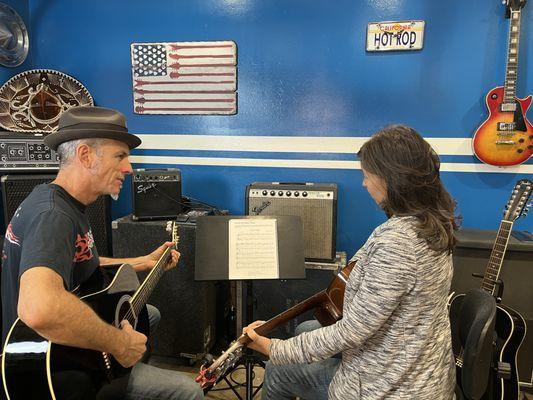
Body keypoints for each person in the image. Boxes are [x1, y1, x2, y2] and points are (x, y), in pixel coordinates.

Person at [1, 106, 204, 400]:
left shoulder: (53, 199)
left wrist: (143, 262)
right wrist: (120, 345)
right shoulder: (54, 216)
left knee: (150, 315)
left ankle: (118, 378)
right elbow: (39, 308)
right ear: (85, 156)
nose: (129, 169)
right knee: (189, 392)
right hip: (54, 359)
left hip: (51, 346)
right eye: (120, 156)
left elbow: (79, 259)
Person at [245, 125, 458, 400]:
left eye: (367, 175)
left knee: (278, 369)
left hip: (390, 387)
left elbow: (352, 332)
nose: (364, 183)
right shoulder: (433, 222)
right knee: (306, 329)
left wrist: (273, 347)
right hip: (424, 365)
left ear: (392, 179)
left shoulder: (397, 242)